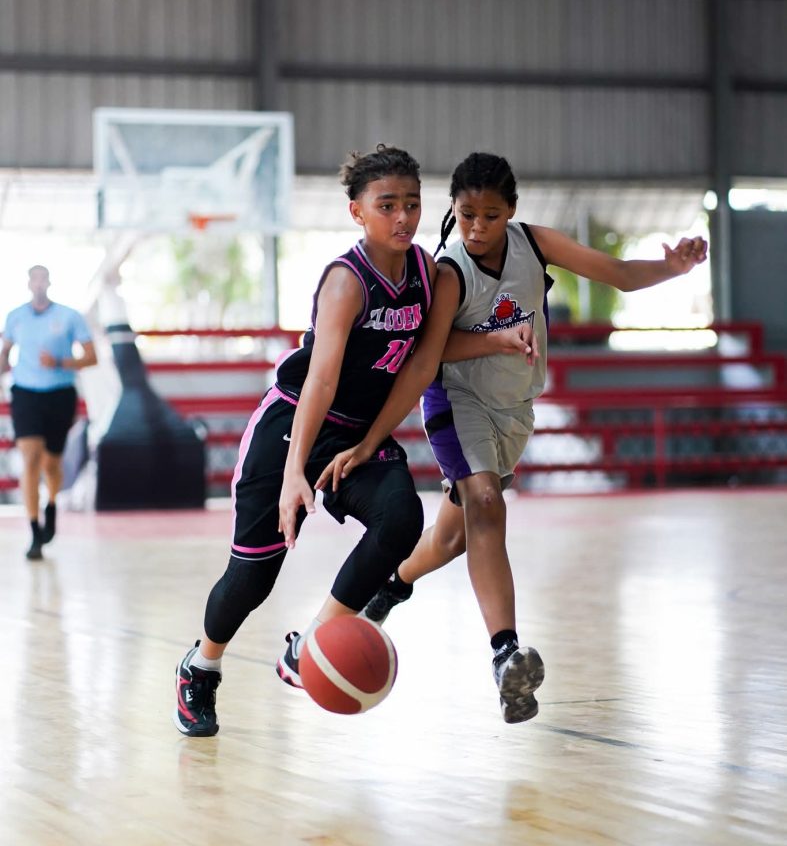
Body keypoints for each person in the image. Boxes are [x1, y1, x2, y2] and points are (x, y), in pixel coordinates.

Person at [317, 151, 709, 724]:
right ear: (454, 210)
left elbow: (620, 275)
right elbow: (426, 361)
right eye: (467, 214)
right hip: (458, 401)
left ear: (512, 212)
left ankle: (390, 588)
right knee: (484, 501)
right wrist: (374, 438)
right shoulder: (449, 271)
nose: (478, 227)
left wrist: (671, 268)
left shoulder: (534, 243)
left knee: (454, 539)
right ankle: (505, 654)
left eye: (491, 215)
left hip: (515, 409)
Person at [172, 145, 532, 737]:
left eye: (412, 205)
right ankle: (201, 665)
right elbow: (320, 379)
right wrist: (294, 473)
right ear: (356, 212)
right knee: (254, 577)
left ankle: (309, 644)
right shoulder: (346, 281)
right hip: (293, 429)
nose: (403, 218)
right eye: (386, 205)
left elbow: (426, 355)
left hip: (357, 436)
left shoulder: (428, 272)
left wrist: (497, 341)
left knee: (400, 518)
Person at [0, 265, 97, 560]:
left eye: (43, 278)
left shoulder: (69, 316)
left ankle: (51, 503)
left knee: (51, 463)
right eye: (34, 278)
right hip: (26, 393)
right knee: (29, 457)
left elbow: (91, 357)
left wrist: (59, 362)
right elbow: (5, 352)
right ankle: (33, 530)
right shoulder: (16, 316)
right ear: (29, 283)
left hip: (60, 394)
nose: (39, 283)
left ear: (49, 283)